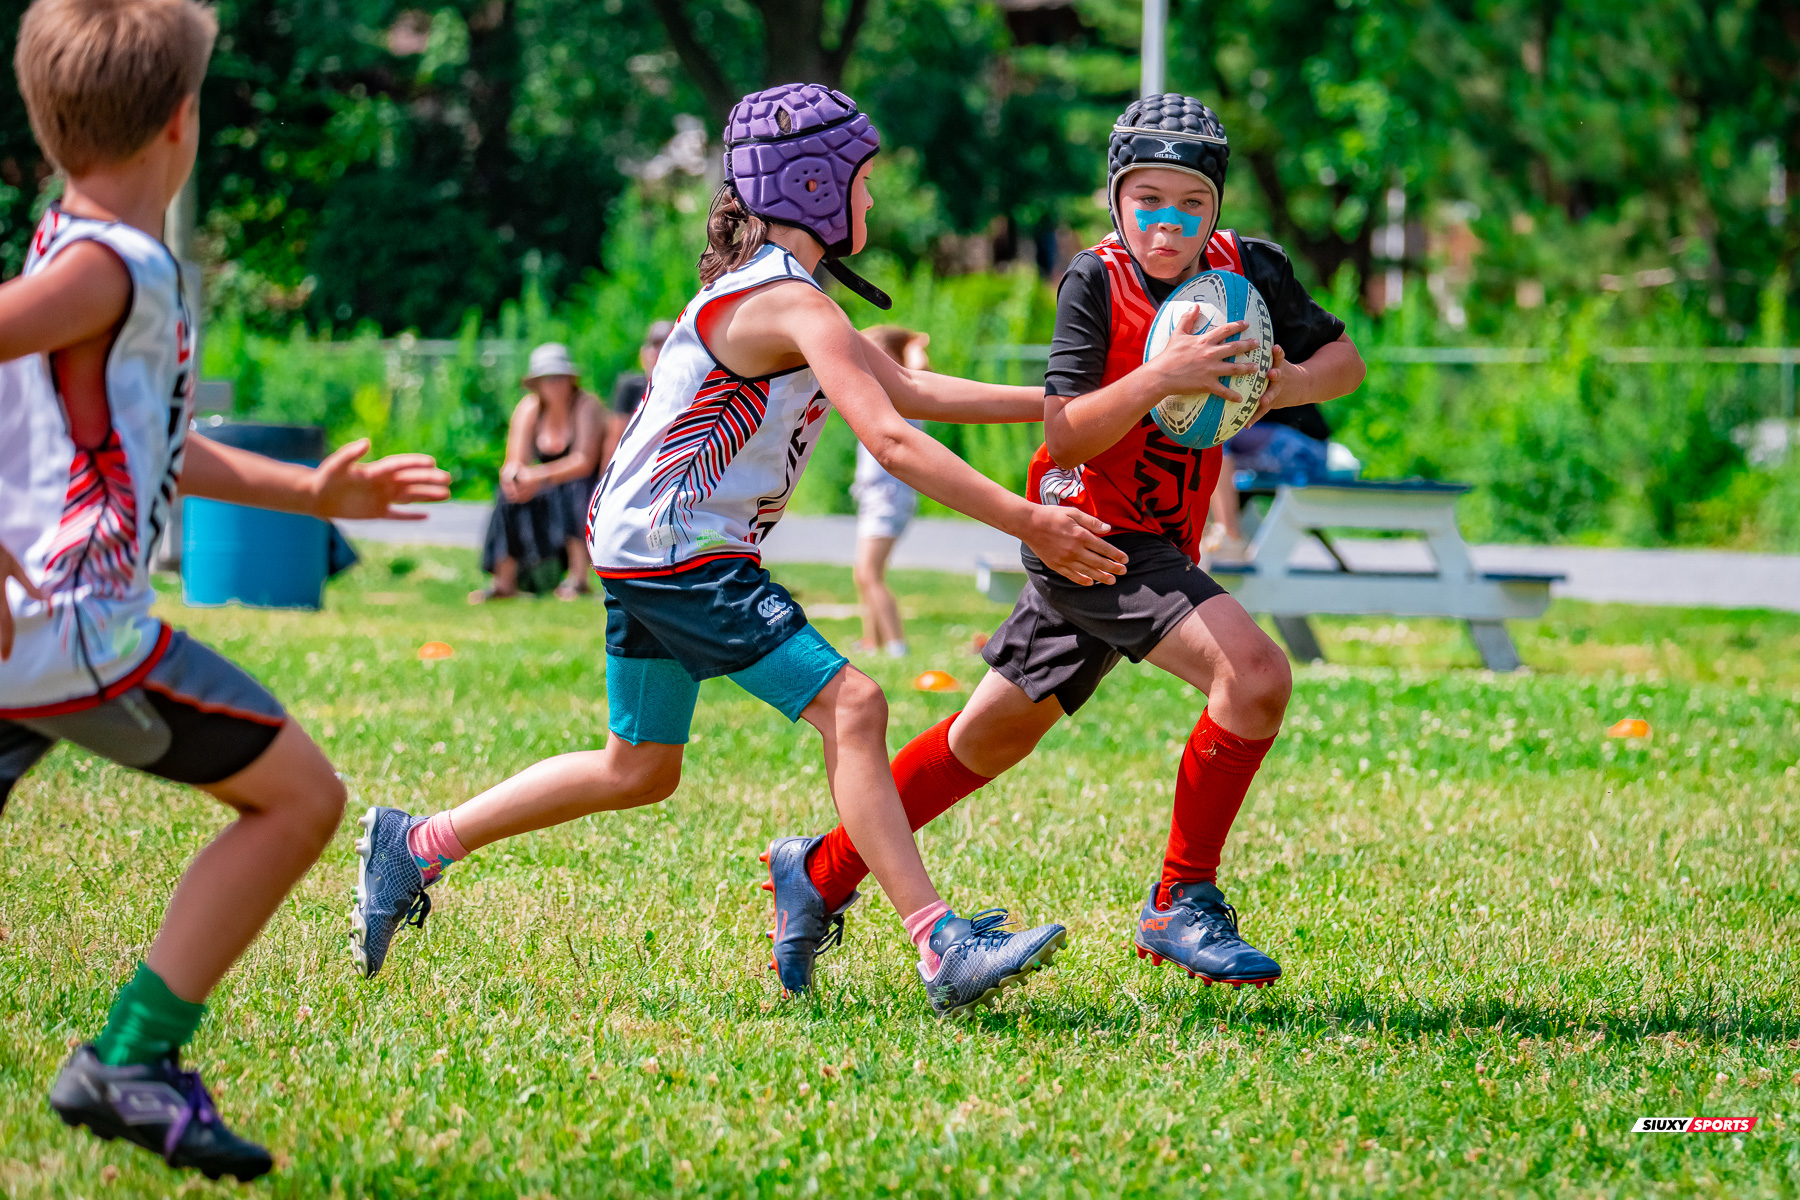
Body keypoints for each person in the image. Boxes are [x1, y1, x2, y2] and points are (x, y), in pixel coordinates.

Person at [350, 82, 1144, 1017]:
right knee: (856, 704)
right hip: (680, 552)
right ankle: (939, 945)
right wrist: (1029, 519)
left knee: (639, 767)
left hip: (648, 543)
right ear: (813, 185)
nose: (873, 201)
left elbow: (913, 394)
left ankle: (417, 844)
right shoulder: (785, 302)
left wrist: (1082, 403)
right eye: (864, 180)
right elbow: (891, 439)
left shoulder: (789, 296)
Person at [0, 0, 451, 1179]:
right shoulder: (108, 266)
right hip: (76, 635)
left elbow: (155, 443)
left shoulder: (71, 249)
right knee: (303, 800)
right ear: (180, 125)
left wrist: (309, 497)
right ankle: (131, 1062)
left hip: (33, 639)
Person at [787, 94, 1366, 989]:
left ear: (1216, 205)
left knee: (987, 739)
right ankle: (1181, 901)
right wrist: (1160, 377)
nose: (1167, 222)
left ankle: (818, 872)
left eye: (1190, 202)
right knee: (1255, 675)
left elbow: (1344, 363)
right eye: (1147, 200)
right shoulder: (1093, 282)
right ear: (1115, 198)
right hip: (1092, 533)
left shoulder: (1249, 270)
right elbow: (1066, 435)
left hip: (1148, 540)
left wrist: (1274, 382)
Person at [473, 343, 609, 601]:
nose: (554, 385)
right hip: (545, 486)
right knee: (507, 494)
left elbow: (584, 461)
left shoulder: (586, 406)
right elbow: (515, 460)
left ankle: (578, 579)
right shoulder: (529, 409)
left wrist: (537, 476)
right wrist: (514, 477)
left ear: (570, 379)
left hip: (584, 487)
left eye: (559, 378)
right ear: (537, 383)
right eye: (548, 379)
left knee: (575, 489)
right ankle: (504, 581)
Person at [850, 324, 930, 656]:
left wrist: (914, 343)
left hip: (888, 497)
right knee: (864, 574)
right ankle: (874, 641)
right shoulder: (878, 392)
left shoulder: (903, 392)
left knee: (868, 573)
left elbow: (920, 371)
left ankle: (897, 645)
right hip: (876, 496)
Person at [1203, 402, 1331, 561]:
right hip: (1291, 445)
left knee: (1213, 436)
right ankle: (1231, 538)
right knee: (1197, 446)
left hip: (1306, 450)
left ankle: (1229, 538)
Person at [609, 319, 674, 418]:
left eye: (667, 344)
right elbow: (618, 432)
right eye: (656, 344)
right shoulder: (631, 389)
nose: (660, 351)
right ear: (643, 353)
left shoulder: (685, 390)